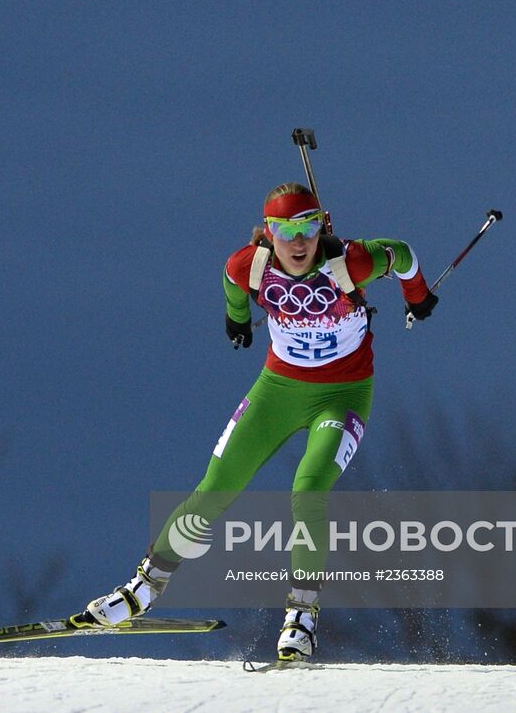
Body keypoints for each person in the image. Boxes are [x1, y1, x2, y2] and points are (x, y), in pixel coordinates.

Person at [85, 182, 437, 661]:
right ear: (268, 232)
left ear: (322, 225)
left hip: (343, 396)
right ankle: (144, 588)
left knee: (309, 489)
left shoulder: (350, 263)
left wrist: (417, 297)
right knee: (215, 488)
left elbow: (404, 253)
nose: (298, 242)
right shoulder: (248, 265)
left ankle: (302, 616)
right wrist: (235, 320)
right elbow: (232, 283)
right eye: (285, 230)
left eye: (308, 227)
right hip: (276, 392)